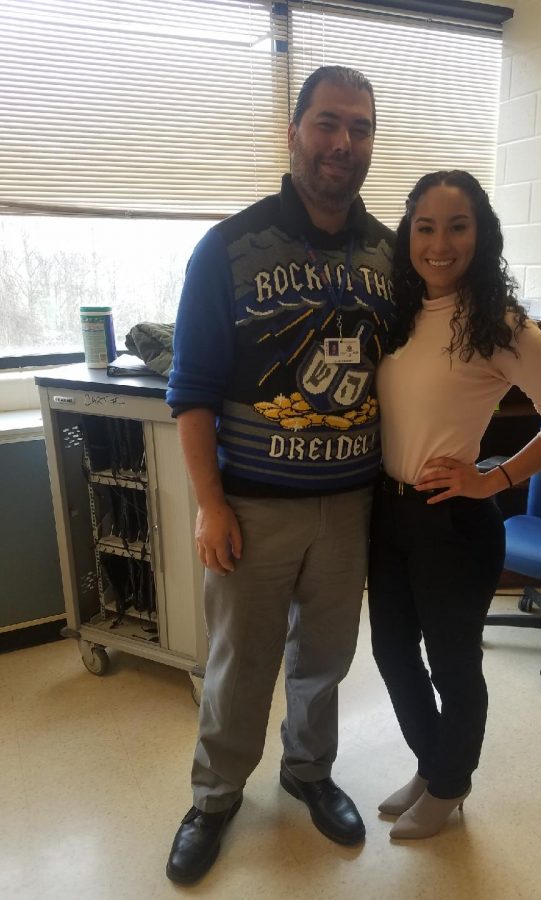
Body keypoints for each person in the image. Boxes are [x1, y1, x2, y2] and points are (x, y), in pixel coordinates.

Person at [165, 66, 395, 883]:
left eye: (359, 129)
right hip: (253, 508)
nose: (343, 143)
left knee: (325, 660)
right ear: (294, 131)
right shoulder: (227, 247)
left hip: (351, 502)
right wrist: (208, 505)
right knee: (240, 662)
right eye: (328, 123)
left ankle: (307, 771)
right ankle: (216, 794)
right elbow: (189, 392)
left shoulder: (388, 254)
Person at [368, 170, 541, 840]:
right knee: (390, 652)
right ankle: (430, 764)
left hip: (453, 521)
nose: (439, 243)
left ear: (480, 234)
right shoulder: (399, 311)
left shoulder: (499, 324)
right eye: (425, 227)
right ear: (407, 234)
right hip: (389, 513)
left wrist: (493, 479)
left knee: (451, 661)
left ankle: (449, 785)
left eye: (457, 226)